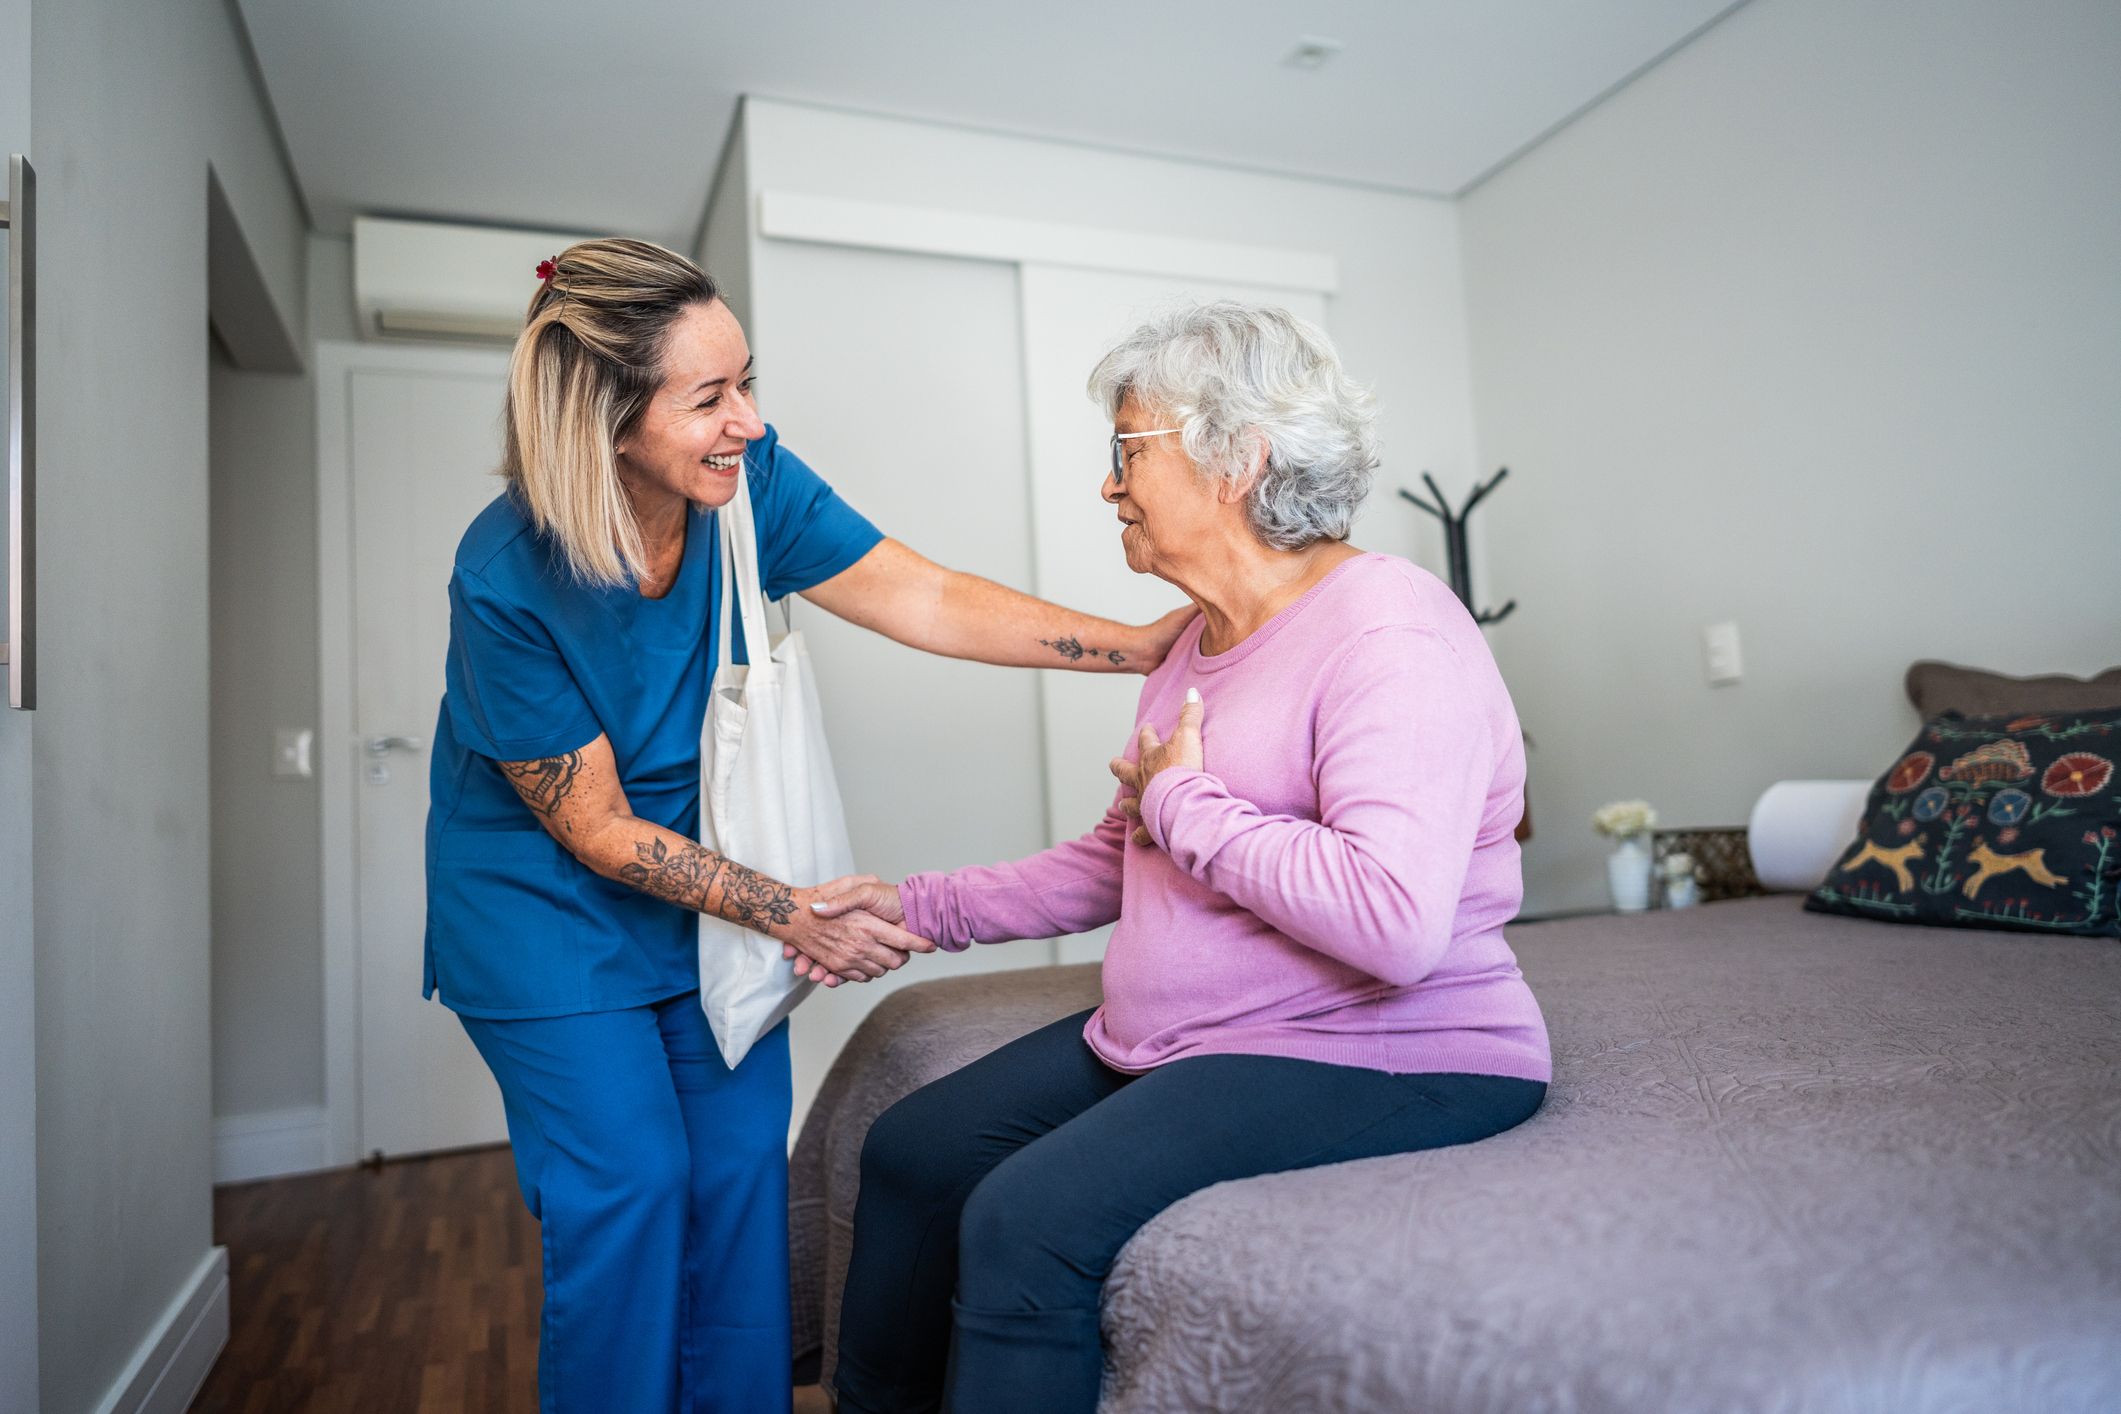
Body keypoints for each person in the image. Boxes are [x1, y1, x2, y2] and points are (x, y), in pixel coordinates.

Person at [424, 238, 1197, 1414]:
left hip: (704, 894)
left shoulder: (748, 488)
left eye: (747, 383)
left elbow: (922, 595)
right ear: (607, 417)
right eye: (709, 397)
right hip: (546, 917)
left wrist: (1133, 644)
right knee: (629, 1187)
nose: (746, 418)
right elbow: (594, 829)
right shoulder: (506, 576)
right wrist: (796, 913)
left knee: (737, 1176)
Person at [818, 302, 1552, 1414]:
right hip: (1197, 1031)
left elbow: (1395, 921)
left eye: (1126, 450)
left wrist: (1185, 800)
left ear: (1236, 458)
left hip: (1390, 1044)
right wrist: (919, 907)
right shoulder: (1197, 644)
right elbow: (1119, 865)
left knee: (1025, 1217)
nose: (1108, 484)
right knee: (916, 1150)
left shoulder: (1391, 632)